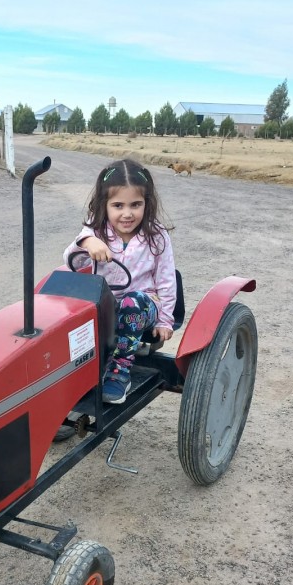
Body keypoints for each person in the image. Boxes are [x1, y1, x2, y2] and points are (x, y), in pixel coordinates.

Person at [63, 158, 177, 404]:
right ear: (105, 206)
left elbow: (167, 279)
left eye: (135, 204)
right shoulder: (95, 231)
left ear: (147, 203)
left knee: (132, 303)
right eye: (118, 205)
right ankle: (71, 372)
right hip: (106, 304)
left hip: (144, 305)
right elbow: (71, 261)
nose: (127, 213)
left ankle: (119, 371)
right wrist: (86, 242)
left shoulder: (157, 237)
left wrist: (165, 319)